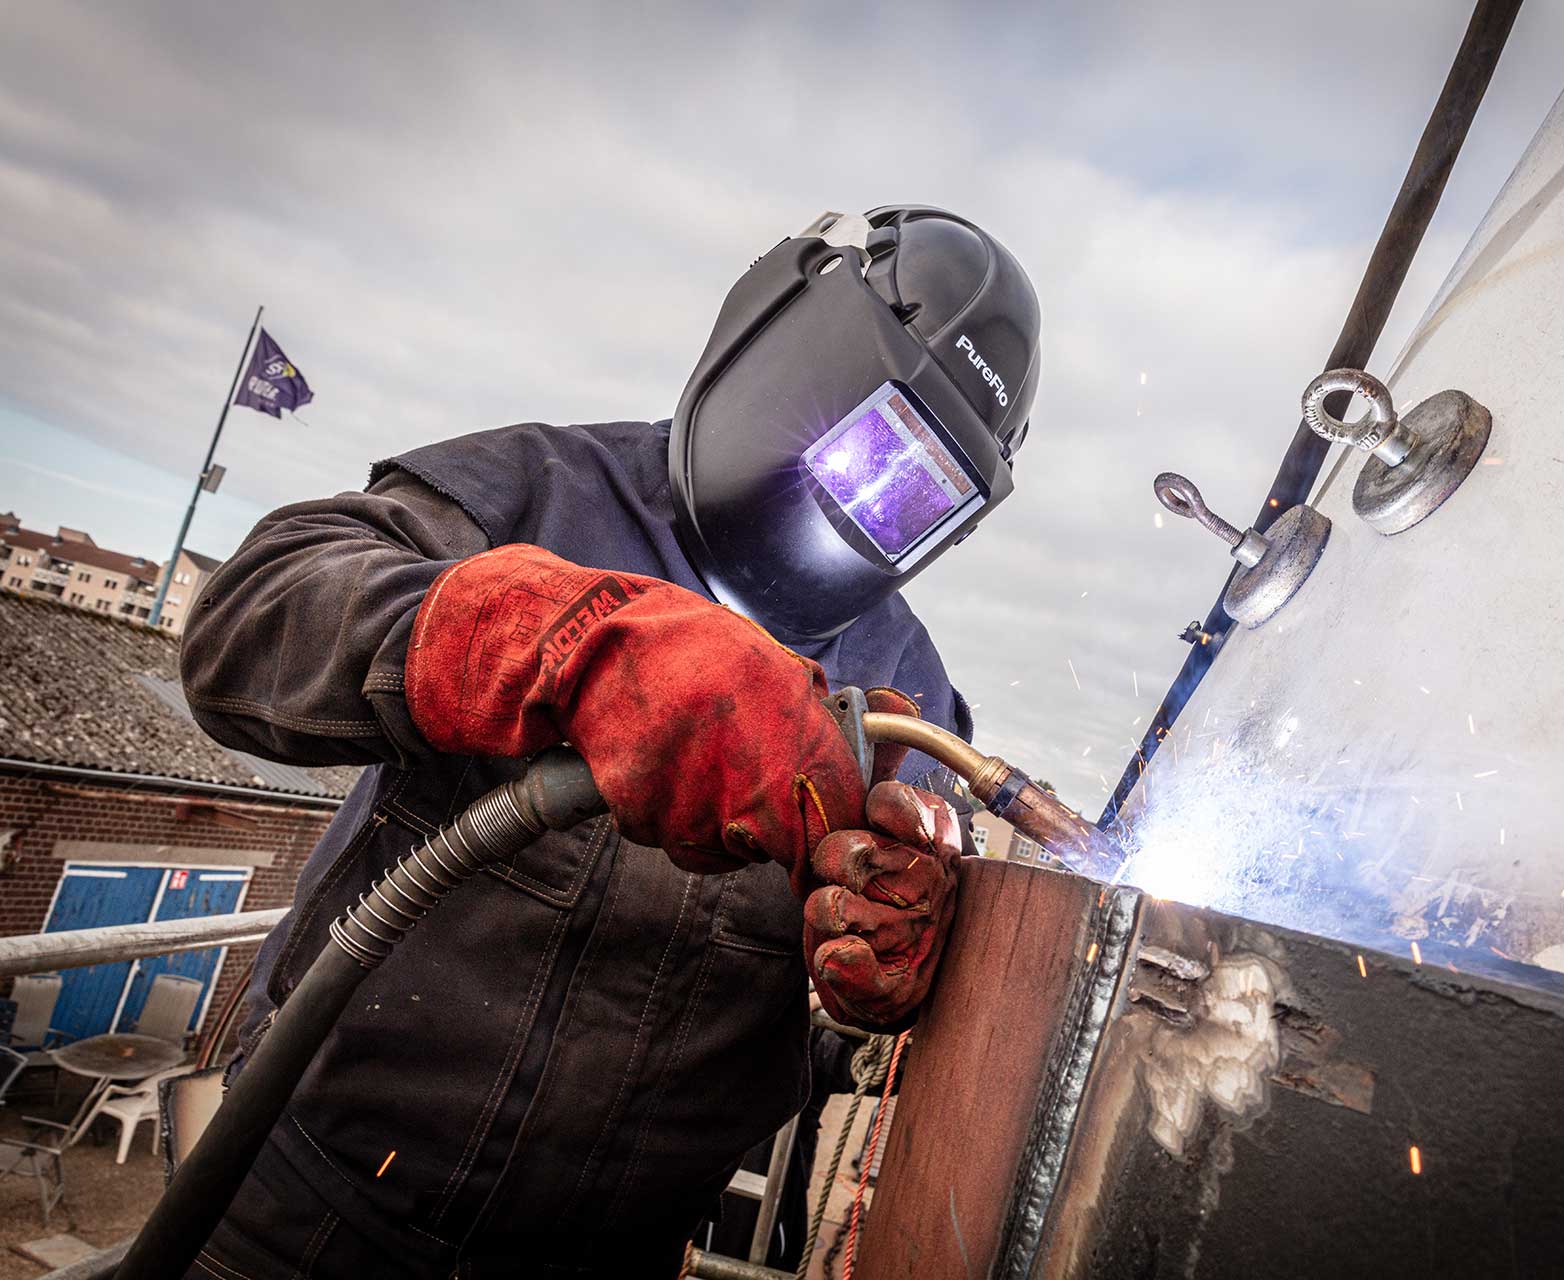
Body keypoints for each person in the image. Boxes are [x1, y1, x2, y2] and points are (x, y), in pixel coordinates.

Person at [178, 206, 1041, 1278]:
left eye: (920, 488)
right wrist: (549, 640)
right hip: (304, 1200)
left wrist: (889, 979)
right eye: (875, 446)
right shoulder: (543, 491)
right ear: (790, 353)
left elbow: (862, 1024)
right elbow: (246, 621)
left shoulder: (911, 698)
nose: (873, 497)